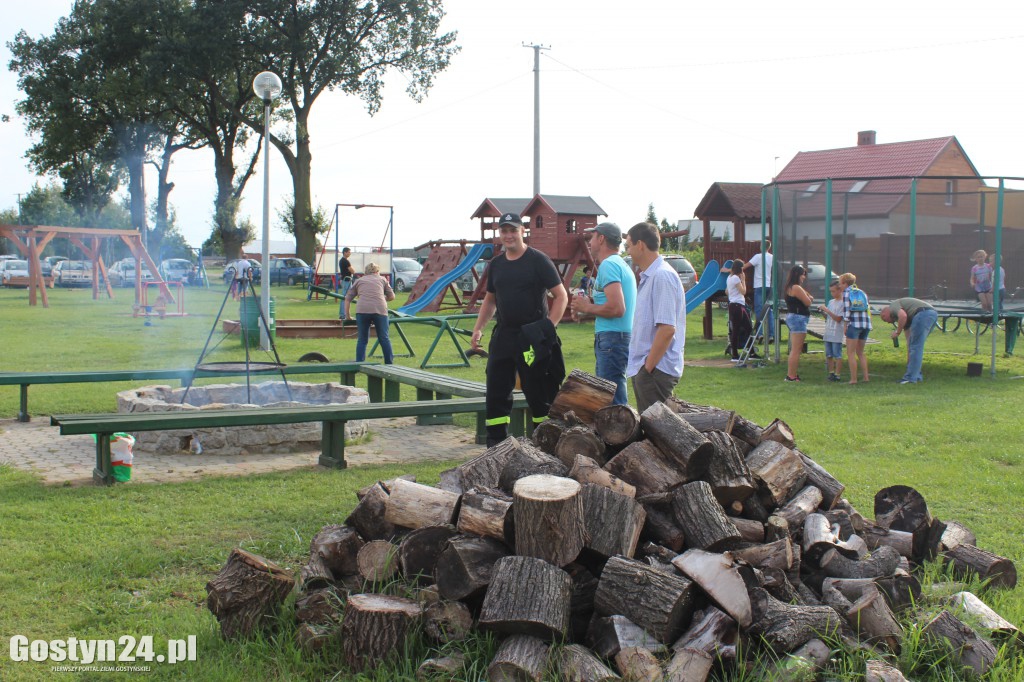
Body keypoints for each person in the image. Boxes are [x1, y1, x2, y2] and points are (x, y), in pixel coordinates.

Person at [471, 213, 568, 446]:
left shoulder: (538, 260)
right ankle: (496, 445)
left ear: (523, 231)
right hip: (504, 335)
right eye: (504, 231)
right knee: (496, 391)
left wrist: (547, 330)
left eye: (512, 230)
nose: (508, 235)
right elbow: (490, 300)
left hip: (532, 339)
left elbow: (561, 296)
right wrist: (478, 328)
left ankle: (546, 445)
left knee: (538, 392)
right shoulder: (496, 264)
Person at [571, 222, 636, 405]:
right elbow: (612, 307)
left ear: (601, 238)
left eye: (592, 237)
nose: (589, 242)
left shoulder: (609, 265)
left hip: (612, 340)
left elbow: (617, 308)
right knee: (613, 397)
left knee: (611, 401)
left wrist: (587, 308)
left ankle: (621, 432)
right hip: (615, 338)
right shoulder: (619, 264)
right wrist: (586, 312)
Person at [624, 222, 686, 413]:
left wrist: (648, 367)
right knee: (653, 432)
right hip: (650, 370)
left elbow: (667, 329)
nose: (627, 251)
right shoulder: (651, 276)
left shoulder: (662, 276)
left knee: (657, 435)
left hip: (655, 371)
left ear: (640, 244)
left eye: (628, 246)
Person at [344, 261, 395, 364]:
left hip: (362, 310)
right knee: (384, 338)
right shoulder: (383, 280)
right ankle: (389, 363)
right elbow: (392, 296)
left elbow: (347, 299)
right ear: (377, 271)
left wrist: (348, 316)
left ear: (365, 272)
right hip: (380, 310)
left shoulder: (359, 281)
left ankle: (359, 362)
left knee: (362, 339)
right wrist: (383, 298)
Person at [880, 298, 938, 384]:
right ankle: (916, 375)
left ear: (885, 312)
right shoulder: (907, 319)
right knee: (914, 346)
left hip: (923, 313)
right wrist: (909, 358)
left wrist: (897, 332)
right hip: (932, 314)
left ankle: (910, 378)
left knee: (916, 347)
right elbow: (909, 344)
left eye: (884, 319)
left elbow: (903, 316)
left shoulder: (893, 306)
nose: (887, 322)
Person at [839, 272, 872, 384]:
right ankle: (866, 377)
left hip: (854, 325)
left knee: (850, 353)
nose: (840, 286)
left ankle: (853, 379)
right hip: (865, 324)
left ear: (845, 283)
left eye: (840, 283)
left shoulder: (846, 293)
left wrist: (845, 325)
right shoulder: (861, 292)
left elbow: (847, 311)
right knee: (860, 352)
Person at [783, 265, 813, 382]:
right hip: (798, 318)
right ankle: (791, 376)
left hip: (793, 317)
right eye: (803, 274)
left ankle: (792, 374)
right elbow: (808, 301)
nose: (804, 277)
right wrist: (808, 298)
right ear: (797, 275)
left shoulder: (789, 287)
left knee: (795, 349)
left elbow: (809, 297)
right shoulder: (797, 287)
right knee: (796, 350)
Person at [742, 240, 774, 341]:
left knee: (759, 310)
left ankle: (759, 333)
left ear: (761, 246)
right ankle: (771, 335)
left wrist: (731, 270)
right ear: (769, 247)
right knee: (769, 310)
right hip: (769, 285)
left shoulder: (758, 257)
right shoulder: (772, 257)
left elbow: (745, 266)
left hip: (759, 286)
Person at [722, 259, 753, 361]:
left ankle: (750, 351)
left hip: (734, 305)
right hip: (737, 306)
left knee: (747, 328)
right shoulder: (735, 278)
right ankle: (735, 355)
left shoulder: (729, 278)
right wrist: (743, 280)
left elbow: (727, 292)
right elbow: (743, 291)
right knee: (737, 330)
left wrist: (733, 292)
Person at [818, 280, 846, 382]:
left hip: (836, 333)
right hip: (828, 332)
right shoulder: (831, 302)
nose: (832, 294)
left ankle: (838, 374)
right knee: (828, 354)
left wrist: (827, 310)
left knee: (837, 354)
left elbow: (838, 319)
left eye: (834, 291)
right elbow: (828, 317)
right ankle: (831, 373)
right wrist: (823, 312)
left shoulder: (843, 303)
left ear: (840, 290)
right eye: (831, 291)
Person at [338, 247, 355, 319]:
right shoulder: (345, 261)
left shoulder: (342, 260)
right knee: (346, 297)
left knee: (345, 297)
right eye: (348, 252)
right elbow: (352, 271)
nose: (350, 253)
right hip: (346, 280)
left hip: (345, 280)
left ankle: (344, 314)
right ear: (345, 252)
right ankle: (343, 314)